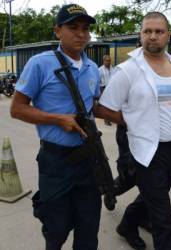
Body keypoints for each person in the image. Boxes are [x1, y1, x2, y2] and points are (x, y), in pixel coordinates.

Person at [94, 11, 171, 250]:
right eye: (147, 31)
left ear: (168, 36)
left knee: (154, 196)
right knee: (162, 214)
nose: (152, 36)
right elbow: (103, 109)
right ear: (140, 35)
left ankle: (127, 224)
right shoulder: (127, 70)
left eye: (158, 31)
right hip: (144, 146)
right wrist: (133, 122)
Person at [10, 4, 102, 250]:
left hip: (89, 159)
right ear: (57, 31)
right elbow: (17, 108)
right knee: (57, 228)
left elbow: (95, 107)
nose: (81, 34)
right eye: (73, 27)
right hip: (56, 160)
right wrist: (58, 119)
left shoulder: (93, 68)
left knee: (89, 228)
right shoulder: (40, 63)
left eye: (85, 28)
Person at [99, 55, 114, 125]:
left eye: (109, 60)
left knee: (111, 105)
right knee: (105, 105)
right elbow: (98, 81)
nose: (108, 62)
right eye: (107, 61)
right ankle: (106, 120)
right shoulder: (100, 70)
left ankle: (110, 118)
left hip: (112, 89)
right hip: (104, 89)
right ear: (104, 61)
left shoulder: (113, 68)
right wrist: (100, 92)